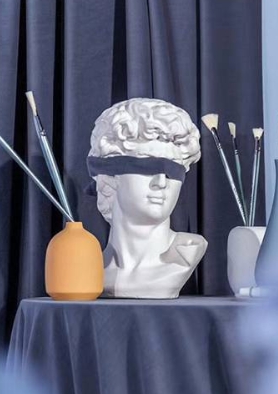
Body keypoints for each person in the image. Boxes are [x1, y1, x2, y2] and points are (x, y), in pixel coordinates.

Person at [87, 98, 207, 298]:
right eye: (146, 167)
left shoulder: (187, 254)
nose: (161, 182)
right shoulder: (90, 270)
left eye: (173, 170)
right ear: (109, 178)